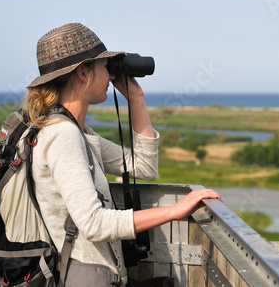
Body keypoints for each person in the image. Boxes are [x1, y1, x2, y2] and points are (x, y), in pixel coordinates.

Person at [23, 23, 222, 287]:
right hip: (87, 278)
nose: (111, 75)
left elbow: (143, 166)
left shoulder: (77, 133)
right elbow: (93, 223)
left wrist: (136, 98)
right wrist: (174, 211)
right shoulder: (63, 135)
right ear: (83, 72)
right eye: (106, 66)